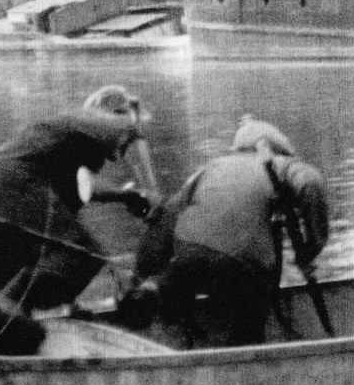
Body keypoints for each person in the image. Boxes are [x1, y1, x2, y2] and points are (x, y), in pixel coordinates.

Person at [0, 85, 155, 352]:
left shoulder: (68, 141)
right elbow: (130, 127)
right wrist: (152, 192)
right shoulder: (103, 121)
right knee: (84, 256)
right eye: (125, 141)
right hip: (12, 190)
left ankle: (0, 365)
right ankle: (11, 304)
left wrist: (124, 196)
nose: (123, 149)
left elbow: (78, 194)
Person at [120, 118, 329, 348]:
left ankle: (154, 290)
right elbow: (311, 184)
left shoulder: (211, 168)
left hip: (190, 253)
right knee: (253, 303)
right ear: (275, 148)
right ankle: (244, 352)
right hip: (241, 266)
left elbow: (163, 225)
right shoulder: (281, 165)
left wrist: (139, 277)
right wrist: (312, 247)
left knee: (178, 274)